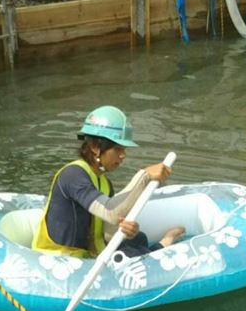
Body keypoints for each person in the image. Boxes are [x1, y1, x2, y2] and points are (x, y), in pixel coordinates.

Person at [32, 105, 185, 258]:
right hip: (59, 258)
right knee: (131, 253)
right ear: (95, 147)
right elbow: (111, 212)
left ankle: (161, 244)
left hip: (88, 254)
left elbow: (107, 231)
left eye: (124, 149)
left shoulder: (105, 184)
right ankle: (164, 244)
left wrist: (126, 230)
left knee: (138, 239)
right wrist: (144, 176)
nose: (123, 155)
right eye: (117, 149)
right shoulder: (73, 175)